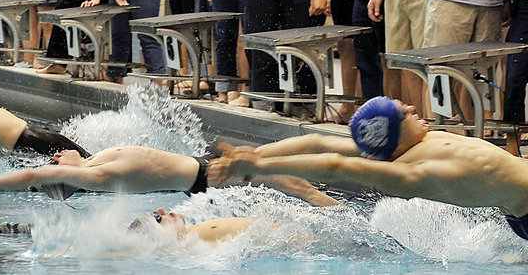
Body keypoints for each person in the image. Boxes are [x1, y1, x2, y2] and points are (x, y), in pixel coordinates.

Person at [208, 96, 528, 241]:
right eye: (405, 112)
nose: (414, 108)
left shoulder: (398, 148)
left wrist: (253, 156)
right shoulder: (409, 175)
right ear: (394, 131)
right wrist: (258, 167)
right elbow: (334, 166)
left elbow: (319, 142)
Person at [0, 144, 340, 206]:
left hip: (203, 163)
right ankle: (332, 205)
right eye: (54, 160)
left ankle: (327, 193)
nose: (57, 153)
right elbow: (29, 176)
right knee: (290, 178)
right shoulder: (97, 175)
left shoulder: (94, 159)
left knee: (284, 160)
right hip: (206, 179)